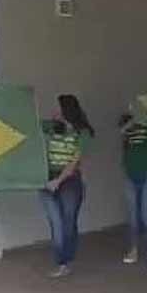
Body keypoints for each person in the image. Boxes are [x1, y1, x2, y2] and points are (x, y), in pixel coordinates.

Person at [40, 94, 94, 279]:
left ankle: (67, 259)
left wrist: (58, 181)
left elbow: (74, 162)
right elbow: (28, 128)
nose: (54, 111)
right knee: (56, 221)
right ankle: (61, 263)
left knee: (68, 221)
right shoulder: (51, 127)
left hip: (69, 181)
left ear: (67, 110)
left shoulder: (83, 133)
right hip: (48, 178)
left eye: (57, 107)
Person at [119, 112, 147, 267]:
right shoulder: (127, 129)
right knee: (132, 215)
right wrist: (126, 127)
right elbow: (125, 145)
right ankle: (133, 249)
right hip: (131, 173)